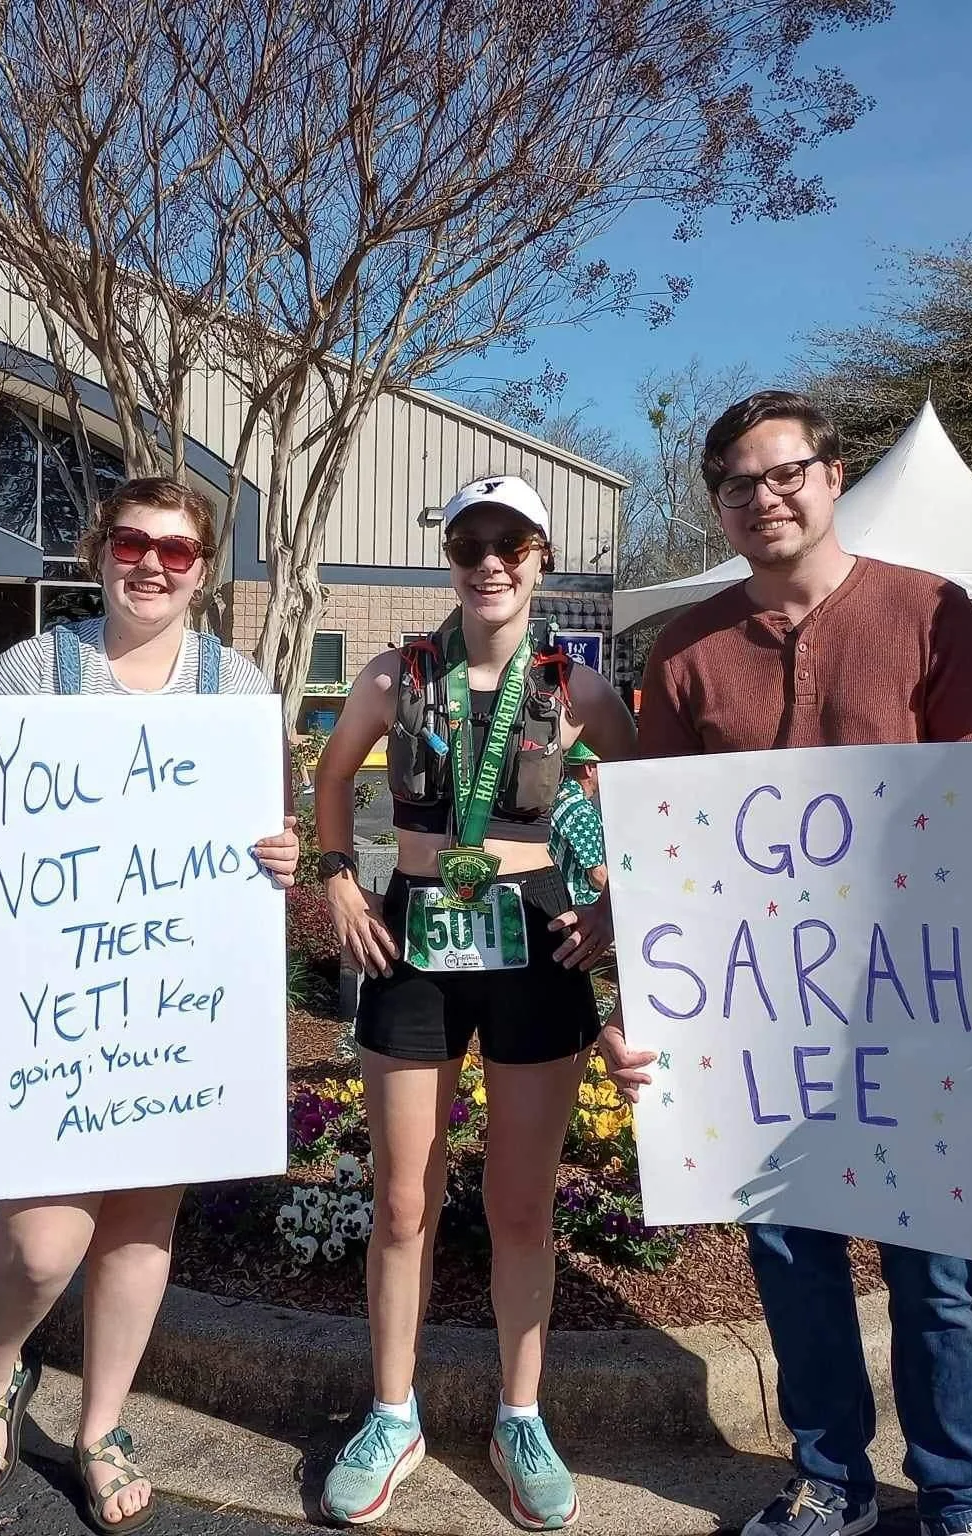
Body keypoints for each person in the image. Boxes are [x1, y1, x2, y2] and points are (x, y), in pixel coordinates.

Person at [619, 391, 972, 1536]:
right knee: (791, 1261)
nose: (764, 499)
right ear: (715, 503)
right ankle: (832, 1480)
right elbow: (663, 842)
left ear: (834, 473)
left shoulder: (928, 612)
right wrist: (645, 1005)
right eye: (737, 485)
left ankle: (958, 1497)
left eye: (785, 473)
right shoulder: (687, 650)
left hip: (916, 998)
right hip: (761, 1020)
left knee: (938, 1277)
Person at [0, 476, 301, 1523]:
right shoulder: (34, 668)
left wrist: (281, 854)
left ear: (203, 570)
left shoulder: (236, 685)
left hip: (171, 1010)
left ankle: (101, 1423)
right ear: (100, 551)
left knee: (140, 1230)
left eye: (177, 551)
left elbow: (266, 829)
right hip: (53, 1010)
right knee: (44, 1240)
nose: (151, 564)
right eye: (133, 543)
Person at [312, 474, 638, 1531]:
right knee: (404, 1201)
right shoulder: (394, 672)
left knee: (520, 1206)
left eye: (512, 543)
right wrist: (338, 880)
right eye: (470, 543)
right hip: (414, 934)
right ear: (447, 557)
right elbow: (330, 780)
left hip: (535, 937)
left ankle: (520, 1414)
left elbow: (649, 807)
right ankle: (392, 1412)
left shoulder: (576, 688)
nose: (490, 562)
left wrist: (615, 911)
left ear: (542, 556)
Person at [548, 740, 607, 909]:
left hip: (557, 895)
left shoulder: (559, 794)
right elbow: (598, 876)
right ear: (589, 768)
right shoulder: (583, 813)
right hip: (580, 904)